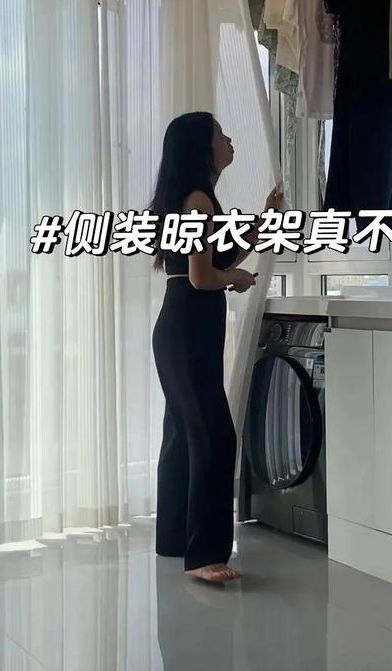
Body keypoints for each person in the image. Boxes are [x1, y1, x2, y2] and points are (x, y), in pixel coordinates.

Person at [149, 111, 282, 584]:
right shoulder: (198, 201)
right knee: (213, 435)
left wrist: (264, 221)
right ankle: (204, 555)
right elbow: (204, 276)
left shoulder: (194, 198)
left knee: (183, 434)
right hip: (188, 328)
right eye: (222, 136)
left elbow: (220, 255)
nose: (230, 142)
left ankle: (174, 539)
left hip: (182, 328)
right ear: (202, 148)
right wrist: (236, 279)